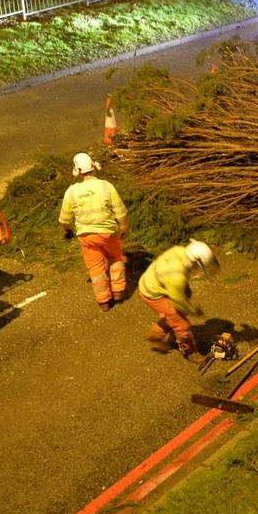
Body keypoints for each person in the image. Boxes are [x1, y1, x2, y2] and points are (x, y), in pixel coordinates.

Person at [59, 152, 129, 312]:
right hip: (108, 233)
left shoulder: (71, 191)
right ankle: (118, 292)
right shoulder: (106, 186)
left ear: (76, 171)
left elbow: (64, 220)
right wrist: (123, 226)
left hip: (86, 237)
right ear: (93, 167)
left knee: (96, 268)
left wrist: (67, 231)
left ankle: (104, 302)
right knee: (116, 257)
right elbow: (120, 211)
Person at [138, 239, 219, 362]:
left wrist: (185, 288)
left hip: (151, 281)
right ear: (195, 260)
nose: (198, 268)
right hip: (153, 294)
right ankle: (189, 351)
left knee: (172, 317)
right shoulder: (176, 276)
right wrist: (194, 310)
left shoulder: (179, 251)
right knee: (182, 325)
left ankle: (155, 335)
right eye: (199, 265)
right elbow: (179, 302)